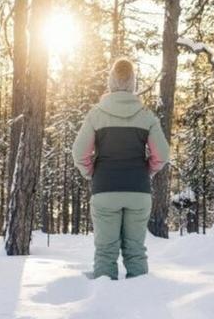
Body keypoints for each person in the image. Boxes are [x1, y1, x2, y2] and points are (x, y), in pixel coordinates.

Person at [71, 58, 170, 280]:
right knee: (135, 252)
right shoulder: (146, 115)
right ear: (133, 83)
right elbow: (162, 155)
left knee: (106, 253)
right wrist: (148, 171)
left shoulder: (96, 114)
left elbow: (79, 153)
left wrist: (91, 172)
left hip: (105, 190)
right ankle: (138, 308)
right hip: (138, 191)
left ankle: (105, 307)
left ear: (111, 82)